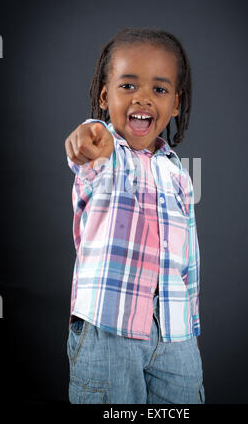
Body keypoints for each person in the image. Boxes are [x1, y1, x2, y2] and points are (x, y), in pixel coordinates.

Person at [64, 27, 205, 404]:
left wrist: (189, 326)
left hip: (176, 336)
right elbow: (87, 145)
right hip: (110, 332)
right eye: (128, 86)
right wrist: (88, 138)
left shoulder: (177, 171)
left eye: (159, 90)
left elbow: (187, 259)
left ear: (176, 103)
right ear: (104, 95)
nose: (142, 98)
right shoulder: (105, 153)